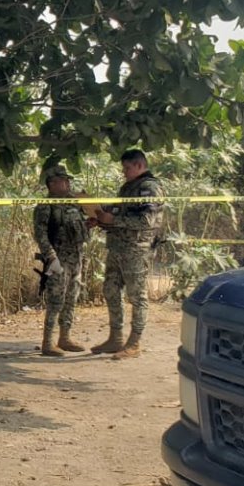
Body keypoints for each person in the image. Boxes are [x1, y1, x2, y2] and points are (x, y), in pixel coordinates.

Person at [88, 149, 165, 359]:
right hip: (117, 248)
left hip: (136, 251)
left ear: (139, 165)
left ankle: (135, 343)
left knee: (137, 296)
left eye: (127, 168)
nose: (124, 172)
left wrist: (112, 220)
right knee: (111, 290)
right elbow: (118, 211)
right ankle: (116, 338)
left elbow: (146, 222)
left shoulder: (150, 187)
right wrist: (100, 217)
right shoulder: (128, 187)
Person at [33, 165, 90, 357]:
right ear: (51, 184)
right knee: (56, 299)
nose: (67, 183)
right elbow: (40, 234)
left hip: (76, 257)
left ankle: (65, 337)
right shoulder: (45, 206)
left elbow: (83, 226)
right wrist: (50, 257)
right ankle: (48, 342)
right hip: (58, 258)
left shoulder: (75, 203)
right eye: (61, 180)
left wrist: (90, 223)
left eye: (67, 180)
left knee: (71, 298)